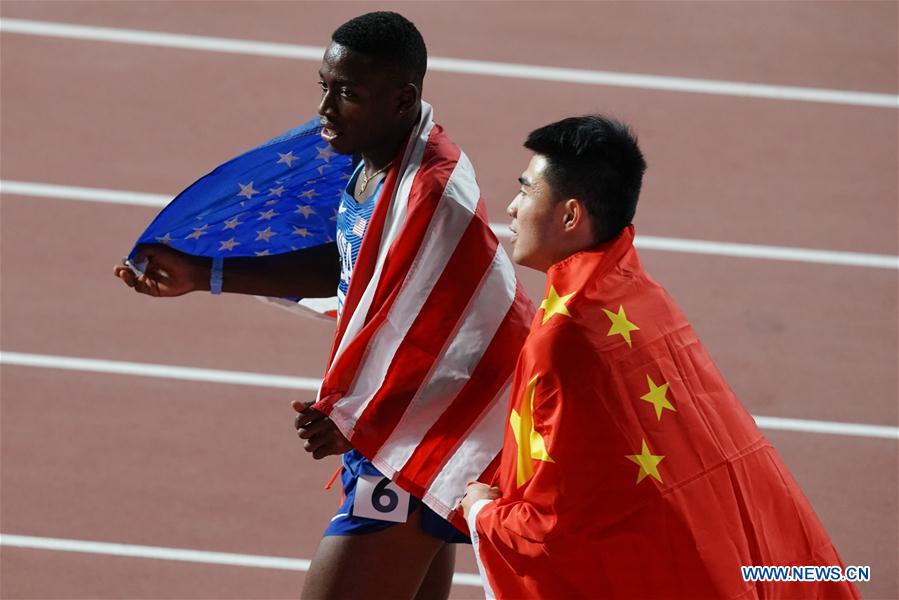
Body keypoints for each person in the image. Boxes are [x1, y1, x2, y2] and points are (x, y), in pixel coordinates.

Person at [114, 12, 531, 600]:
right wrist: (203, 272)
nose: (326, 109)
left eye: (349, 94)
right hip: (415, 422)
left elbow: (424, 330)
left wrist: (353, 414)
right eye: (326, 88)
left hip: (436, 420)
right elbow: (351, 270)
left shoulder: (430, 197)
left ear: (403, 97)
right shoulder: (381, 159)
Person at [460, 115, 860, 599]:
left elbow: (559, 521)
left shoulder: (565, 336)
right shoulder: (640, 293)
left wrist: (484, 512)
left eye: (525, 191)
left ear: (569, 216)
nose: (512, 207)